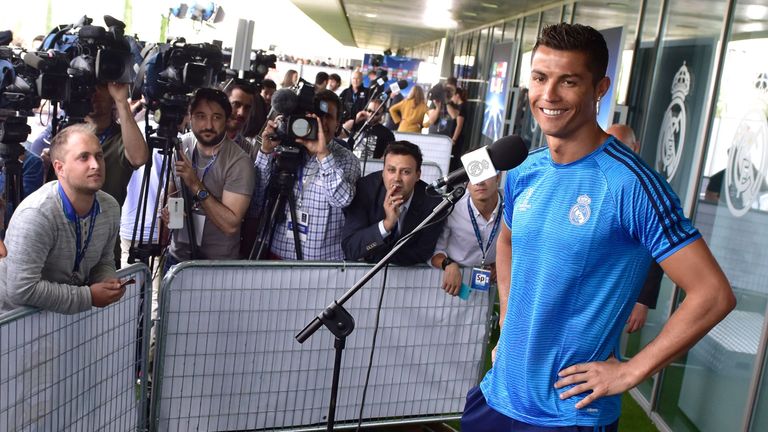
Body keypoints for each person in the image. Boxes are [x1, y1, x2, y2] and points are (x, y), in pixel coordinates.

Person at [462, 23, 735, 431]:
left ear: (599, 88)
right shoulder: (523, 170)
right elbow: (507, 241)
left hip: (568, 415)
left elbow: (712, 294)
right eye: (540, 78)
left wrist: (629, 372)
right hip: (497, 396)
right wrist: (508, 320)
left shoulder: (632, 184)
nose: (548, 95)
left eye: (568, 81)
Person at [0, 124, 124, 314]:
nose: (96, 165)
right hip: (18, 326)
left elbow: (103, 260)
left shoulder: (110, 208)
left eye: (99, 156)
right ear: (60, 168)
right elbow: (21, 289)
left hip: (61, 321)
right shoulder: (37, 214)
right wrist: (88, 297)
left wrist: (107, 281)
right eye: (84, 157)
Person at [256, 89, 361, 261]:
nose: (322, 122)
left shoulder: (347, 159)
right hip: (276, 256)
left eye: (329, 117)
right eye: (317, 115)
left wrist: (323, 155)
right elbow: (257, 200)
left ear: (338, 124)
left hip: (321, 266)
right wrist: (266, 151)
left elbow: (342, 199)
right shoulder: (284, 148)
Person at [163, 88, 255, 266]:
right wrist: (167, 210)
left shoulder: (239, 162)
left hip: (216, 265)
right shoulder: (180, 146)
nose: (208, 125)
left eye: (216, 117)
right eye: (200, 116)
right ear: (190, 117)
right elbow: (170, 192)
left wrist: (196, 185)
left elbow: (231, 225)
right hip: (177, 257)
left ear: (227, 120)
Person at [342, 141, 445, 266]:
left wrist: (373, 255)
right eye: (391, 170)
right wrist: (386, 225)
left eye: (405, 172)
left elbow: (422, 252)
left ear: (418, 175)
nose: (397, 178)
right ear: (383, 172)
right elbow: (350, 248)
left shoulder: (433, 203)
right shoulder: (364, 190)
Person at [606, 122, 662, 333]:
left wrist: (642, 301)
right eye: (609, 144)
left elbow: (657, 251)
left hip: (623, 289)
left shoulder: (647, 188)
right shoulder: (594, 177)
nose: (614, 151)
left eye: (621, 145)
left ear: (635, 147)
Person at [431, 174, 501, 296]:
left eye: (486, 173)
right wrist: (448, 265)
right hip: (450, 286)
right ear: (465, 180)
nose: (479, 182)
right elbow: (432, 251)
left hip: (487, 289)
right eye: (473, 174)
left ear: (498, 176)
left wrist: (502, 262)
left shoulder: (514, 206)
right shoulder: (451, 208)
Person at [223, 80, 256, 154]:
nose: (241, 113)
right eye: (236, 104)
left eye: (247, 108)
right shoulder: (198, 140)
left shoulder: (248, 150)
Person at [447, 87, 468, 171]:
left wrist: (454, 139)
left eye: (453, 96)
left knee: (455, 159)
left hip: (458, 139)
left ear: (457, 95)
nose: (452, 99)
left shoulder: (462, 107)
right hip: (456, 138)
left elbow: (459, 125)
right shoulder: (459, 106)